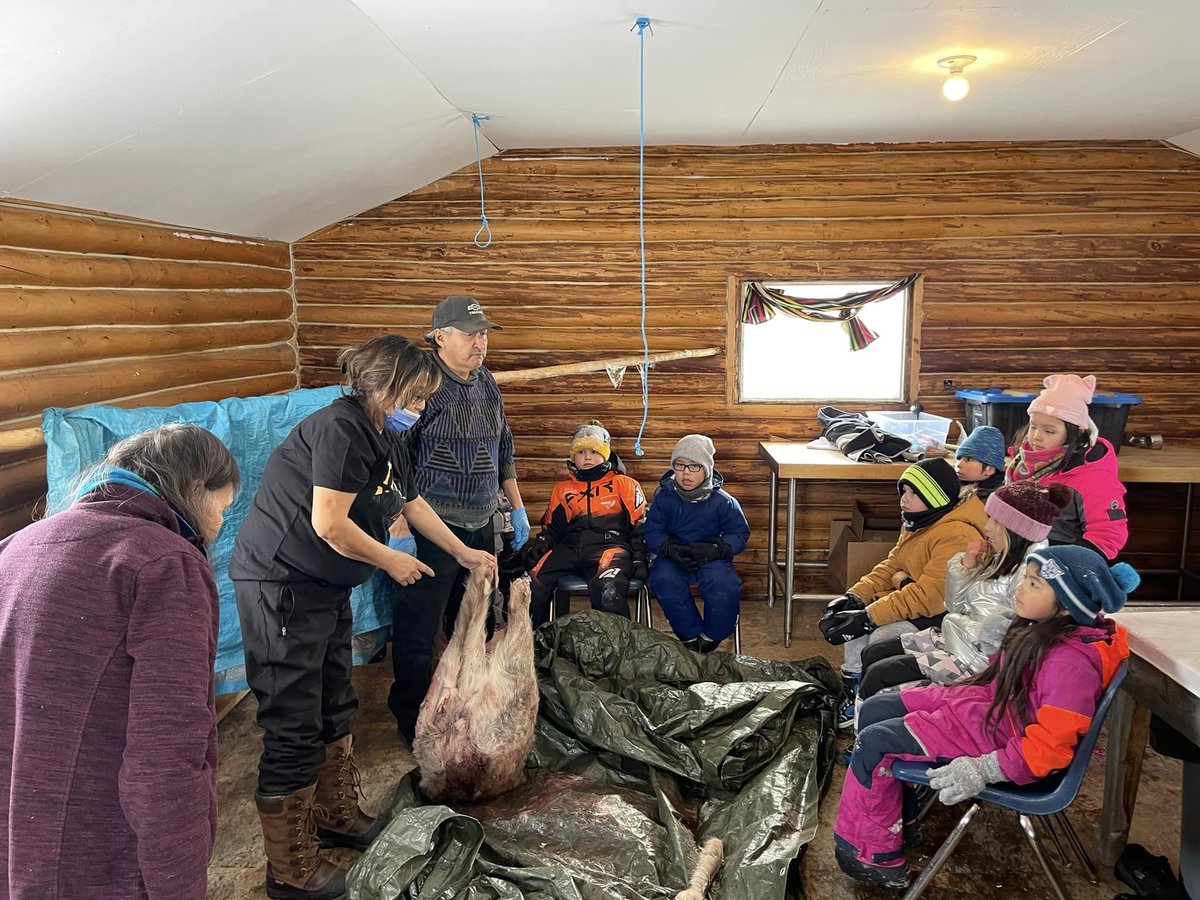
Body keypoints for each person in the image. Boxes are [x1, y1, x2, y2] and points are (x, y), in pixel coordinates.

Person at [231, 335, 494, 900]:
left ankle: (332, 813)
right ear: (381, 386)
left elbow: (411, 502)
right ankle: (290, 871)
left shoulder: (385, 436)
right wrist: (390, 559)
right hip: (282, 584)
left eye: (425, 401)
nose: (419, 410)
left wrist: (463, 552)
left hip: (325, 586)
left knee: (335, 700)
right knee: (293, 719)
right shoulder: (340, 428)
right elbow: (329, 522)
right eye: (415, 398)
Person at [0, 424, 239, 899]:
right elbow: (167, 749)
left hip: (16, 840)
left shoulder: (17, 546)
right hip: (97, 851)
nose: (219, 525)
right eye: (222, 507)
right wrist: (179, 884)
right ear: (194, 489)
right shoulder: (165, 563)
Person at [832, 545, 1136, 889]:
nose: (1021, 587)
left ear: (1067, 605)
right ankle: (901, 821)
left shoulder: (1072, 665)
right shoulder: (1040, 631)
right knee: (876, 708)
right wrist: (996, 649)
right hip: (986, 710)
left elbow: (1050, 748)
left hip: (1002, 745)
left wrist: (985, 768)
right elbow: (998, 685)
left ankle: (876, 855)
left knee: (875, 744)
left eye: (1035, 584)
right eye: (1026, 579)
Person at [387, 295, 528, 742]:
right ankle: (412, 718)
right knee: (419, 626)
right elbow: (394, 459)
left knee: (477, 621)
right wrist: (398, 526)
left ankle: (468, 708)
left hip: (482, 521)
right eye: (470, 334)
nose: (480, 342)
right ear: (440, 337)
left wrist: (516, 507)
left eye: (484, 333)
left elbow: (503, 447)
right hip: (431, 525)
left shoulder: (487, 383)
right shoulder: (420, 386)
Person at [857, 481, 1073, 701]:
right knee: (874, 652)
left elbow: (999, 639)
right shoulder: (1000, 556)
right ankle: (859, 716)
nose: (987, 527)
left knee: (880, 676)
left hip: (976, 662)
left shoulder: (1030, 575)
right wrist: (966, 565)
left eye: (996, 521)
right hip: (957, 640)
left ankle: (865, 723)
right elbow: (955, 606)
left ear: (1016, 530)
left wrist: (957, 623)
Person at [819, 458, 987, 729]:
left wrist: (869, 616)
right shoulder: (920, 520)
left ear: (936, 498)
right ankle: (854, 690)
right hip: (913, 598)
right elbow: (893, 564)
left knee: (881, 637)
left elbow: (928, 596)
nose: (904, 500)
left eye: (914, 493)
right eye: (904, 491)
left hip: (943, 615)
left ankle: (884, 705)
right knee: (854, 629)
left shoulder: (957, 534)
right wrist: (856, 597)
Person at [524, 421, 648, 625]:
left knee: (607, 588)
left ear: (606, 453)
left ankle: (617, 651)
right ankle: (535, 643)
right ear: (573, 456)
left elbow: (640, 526)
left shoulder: (624, 484)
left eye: (594, 451)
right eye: (581, 452)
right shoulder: (562, 489)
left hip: (610, 547)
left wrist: (639, 560)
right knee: (532, 582)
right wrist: (542, 544)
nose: (588, 457)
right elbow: (552, 528)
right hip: (570, 547)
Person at [645, 434, 750, 653]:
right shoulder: (664, 498)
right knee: (663, 579)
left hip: (711, 556)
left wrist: (718, 548)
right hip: (674, 556)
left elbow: (739, 532)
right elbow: (652, 530)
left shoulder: (723, 501)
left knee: (724, 584)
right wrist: (667, 548)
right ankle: (689, 634)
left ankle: (713, 634)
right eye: (680, 465)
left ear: (707, 469)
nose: (685, 473)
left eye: (694, 466)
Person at [1007, 373, 1128, 559]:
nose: (1037, 436)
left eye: (1049, 431)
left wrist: (1064, 565)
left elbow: (1107, 534)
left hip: (1057, 564)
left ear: (1075, 432)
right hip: (1018, 555)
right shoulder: (1021, 464)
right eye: (1033, 426)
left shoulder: (1092, 475)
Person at [954, 424, 1006, 500]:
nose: (959, 464)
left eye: (969, 459)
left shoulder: (996, 499)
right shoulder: (954, 486)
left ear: (990, 469)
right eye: (959, 458)